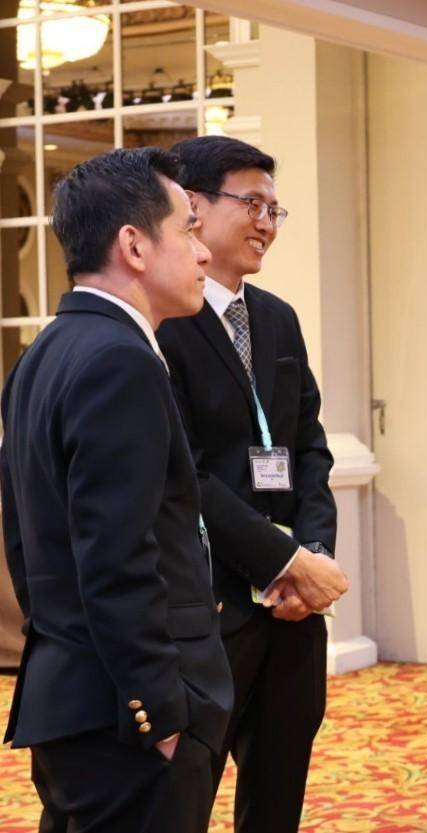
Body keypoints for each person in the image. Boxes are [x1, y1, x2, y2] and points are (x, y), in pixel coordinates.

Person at [0, 147, 232, 832]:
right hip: (126, 722)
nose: (203, 253)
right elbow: (116, 557)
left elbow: (25, 543)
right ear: (133, 245)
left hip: (74, 699)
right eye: (188, 230)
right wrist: (159, 711)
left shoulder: (42, 355)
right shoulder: (119, 361)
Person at [156, 135, 347, 833]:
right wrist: (281, 561)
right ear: (194, 206)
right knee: (185, 798)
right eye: (251, 203)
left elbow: (310, 449)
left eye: (274, 209)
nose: (266, 221)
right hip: (214, 606)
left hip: (292, 613)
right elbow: (187, 473)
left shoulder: (276, 318)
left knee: (277, 796)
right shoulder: (165, 322)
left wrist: (313, 552)